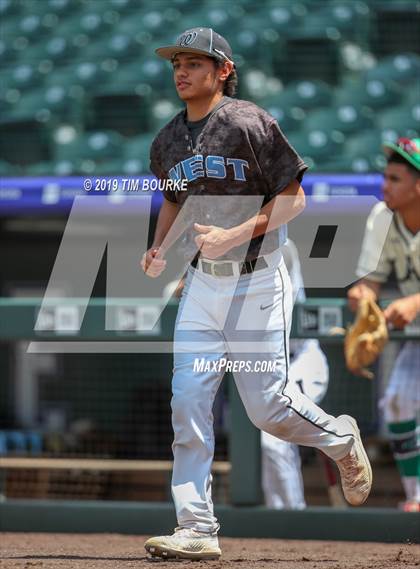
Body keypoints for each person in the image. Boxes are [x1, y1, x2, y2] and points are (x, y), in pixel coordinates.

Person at [141, 27, 372, 561]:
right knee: (188, 404)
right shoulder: (168, 140)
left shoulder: (249, 122)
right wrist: (158, 248)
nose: (182, 70)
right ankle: (196, 526)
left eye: (196, 62)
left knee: (268, 410)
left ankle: (340, 440)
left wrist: (234, 233)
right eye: (177, 62)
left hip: (258, 278)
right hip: (201, 284)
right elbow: (176, 199)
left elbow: (294, 201)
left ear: (223, 71)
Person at [348, 137, 420, 512]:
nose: (384, 185)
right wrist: (364, 297)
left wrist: (416, 300)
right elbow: (369, 282)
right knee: (396, 403)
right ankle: (416, 497)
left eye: (394, 178)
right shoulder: (382, 217)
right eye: (385, 176)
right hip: (416, 336)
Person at [261, 239, 329, 510]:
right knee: (266, 440)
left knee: (274, 437)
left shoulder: (282, 244)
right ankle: (276, 514)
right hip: (273, 367)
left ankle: (294, 514)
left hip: (303, 360)